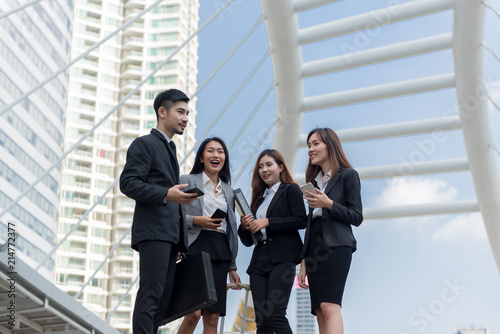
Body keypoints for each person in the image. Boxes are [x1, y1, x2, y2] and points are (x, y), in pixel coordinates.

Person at [120, 89, 199, 334]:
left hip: (169, 237)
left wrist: (177, 241)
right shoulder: (145, 143)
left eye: (188, 113)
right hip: (153, 233)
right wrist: (167, 194)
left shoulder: (169, 148)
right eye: (180, 112)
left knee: (162, 301)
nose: (186, 118)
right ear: (162, 112)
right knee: (151, 295)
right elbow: (128, 183)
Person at [298, 128, 363, 334]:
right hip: (314, 248)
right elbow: (310, 224)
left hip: (337, 246)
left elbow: (357, 216)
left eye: (316, 144)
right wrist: (303, 261)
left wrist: (329, 204)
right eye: (309, 145)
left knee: (329, 305)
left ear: (330, 145)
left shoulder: (348, 175)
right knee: (318, 311)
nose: (310, 149)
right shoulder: (313, 182)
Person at [177, 137, 241, 334]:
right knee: (193, 313)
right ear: (202, 157)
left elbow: (231, 228)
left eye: (220, 151)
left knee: (212, 317)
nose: (216, 155)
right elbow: (173, 215)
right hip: (196, 246)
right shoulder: (186, 181)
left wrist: (232, 265)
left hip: (220, 251)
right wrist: (197, 220)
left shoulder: (229, 191)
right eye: (210, 151)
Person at [239, 149, 307, 334]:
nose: (264, 170)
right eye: (260, 167)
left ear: (281, 167)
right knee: (262, 322)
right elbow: (248, 241)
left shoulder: (290, 189)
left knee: (275, 315)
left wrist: (268, 222)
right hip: (259, 261)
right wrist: (244, 226)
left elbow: (301, 220)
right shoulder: (258, 199)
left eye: (269, 164)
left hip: (283, 259)